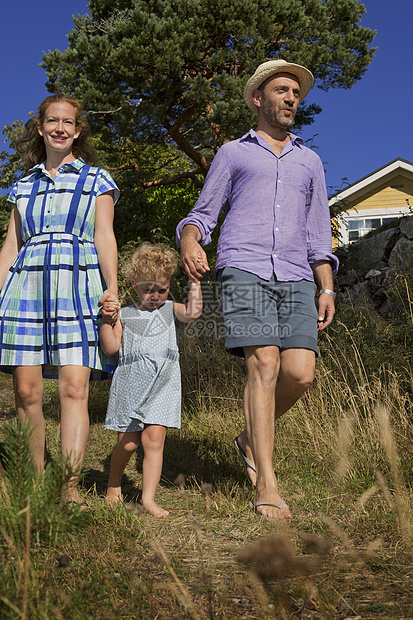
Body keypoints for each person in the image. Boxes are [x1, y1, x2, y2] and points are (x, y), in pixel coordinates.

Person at [176, 59, 339, 521]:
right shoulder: (234, 153)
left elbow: (317, 231)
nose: (291, 98)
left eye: (296, 93)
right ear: (257, 99)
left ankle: (249, 437)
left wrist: (325, 286)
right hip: (243, 266)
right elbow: (203, 214)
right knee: (263, 363)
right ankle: (266, 483)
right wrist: (190, 239)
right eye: (282, 90)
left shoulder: (309, 161)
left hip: (297, 275)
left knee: (300, 373)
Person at [0, 94, 119, 506]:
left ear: (77, 130)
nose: (61, 128)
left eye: (68, 122)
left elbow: (105, 235)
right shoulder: (23, 184)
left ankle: (68, 488)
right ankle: (34, 486)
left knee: (74, 387)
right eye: (53, 120)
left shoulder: (97, 179)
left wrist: (112, 288)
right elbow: (11, 245)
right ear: (41, 127)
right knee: (27, 391)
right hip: (26, 288)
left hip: (79, 284)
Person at [100, 242, 203, 517]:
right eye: (148, 289)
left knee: (154, 441)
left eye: (162, 289)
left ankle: (148, 498)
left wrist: (194, 282)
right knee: (129, 442)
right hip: (132, 384)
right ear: (134, 284)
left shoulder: (170, 309)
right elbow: (111, 348)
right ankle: (113, 484)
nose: (155, 295)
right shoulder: (125, 313)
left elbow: (193, 313)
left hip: (163, 385)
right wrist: (106, 322)